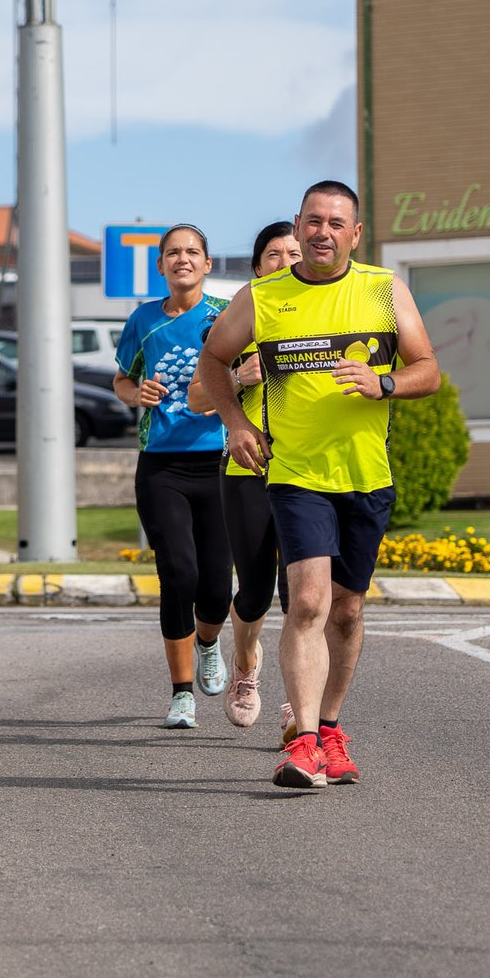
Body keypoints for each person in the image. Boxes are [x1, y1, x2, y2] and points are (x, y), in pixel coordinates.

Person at [199, 180, 440, 789]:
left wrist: (384, 384)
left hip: (366, 476)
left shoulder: (384, 291)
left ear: (355, 234)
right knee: (308, 602)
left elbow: (428, 369)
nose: (323, 232)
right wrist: (235, 422)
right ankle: (302, 742)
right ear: (298, 225)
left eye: (336, 222)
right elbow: (213, 361)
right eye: (313, 221)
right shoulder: (263, 295)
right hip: (296, 473)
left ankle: (331, 731)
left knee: (349, 612)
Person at [113, 224, 233, 730]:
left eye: (192, 252)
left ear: (207, 263)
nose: (182, 259)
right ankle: (181, 693)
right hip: (161, 463)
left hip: (221, 463)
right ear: (160, 265)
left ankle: (209, 642)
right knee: (177, 574)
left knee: (216, 587)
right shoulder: (143, 319)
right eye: (172, 253)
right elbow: (121, 378)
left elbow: (248, 369)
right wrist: (134, 393)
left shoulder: (225, 315)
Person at [186, 221, 303, 730]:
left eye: (293, 252)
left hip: (309, 471)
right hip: (247, 469)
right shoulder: (240, 320)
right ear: (257, 269)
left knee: (302, 592)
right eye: (273, 255)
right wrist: (236, 377)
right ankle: (246, 665)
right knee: (254, 591)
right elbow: (194, 398)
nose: (285, 260)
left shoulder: (324, 319)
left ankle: (302, 700)